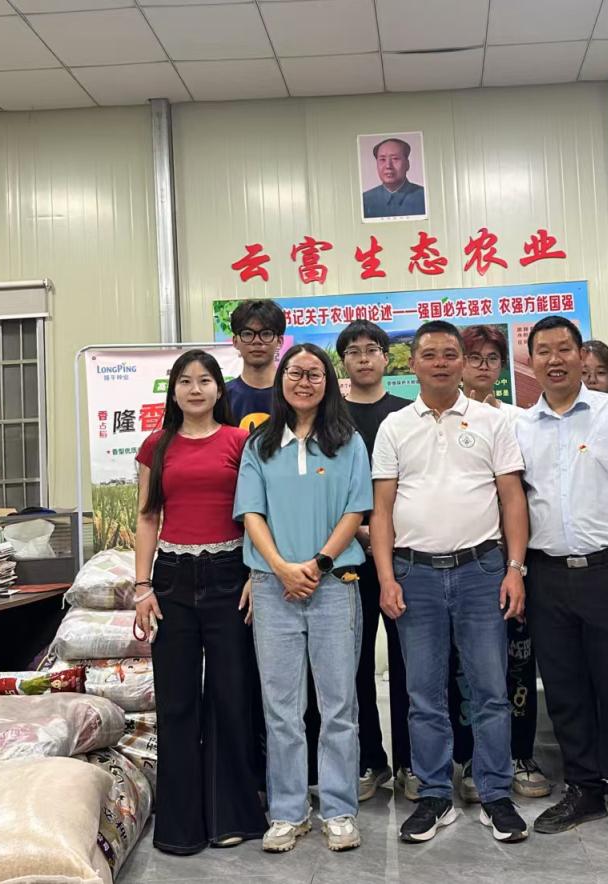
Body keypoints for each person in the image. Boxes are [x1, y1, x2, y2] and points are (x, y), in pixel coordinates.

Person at [372, 319, 530, 845]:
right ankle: (435, 795)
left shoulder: (492, 421)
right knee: (423, 694)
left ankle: (496, 793)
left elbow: (512, 498)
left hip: (482, 571)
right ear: (412, 364)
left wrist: (515, 569)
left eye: (449, 354)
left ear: (462, 362)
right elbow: (382, 508)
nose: (440, 362)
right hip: (413, 573)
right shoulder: (394, 426)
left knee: (490, 690)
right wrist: (386, 577)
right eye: (429, 354)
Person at [514, 315, 608, 844]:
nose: (554, 359)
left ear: (582, 357)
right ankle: (583, 789)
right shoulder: (520, 427)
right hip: (547, 576)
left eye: (564, 349)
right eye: (543, 351)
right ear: (531, 361)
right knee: (565, 690)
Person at [233, 343, 373, 854]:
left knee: (338, 705)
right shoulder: (260, 444)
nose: (304, 382)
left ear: (328, 383)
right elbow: (251, 513)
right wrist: (281, 568)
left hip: (334, 585)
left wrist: (318, 564)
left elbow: (356, 510)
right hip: (274, 588)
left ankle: (338, 809)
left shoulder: (348, 442)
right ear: (282, 380)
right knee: (281, 708)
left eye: (315, 374)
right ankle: (289, 812)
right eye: (296, 373)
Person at [133, 349, 266, 855]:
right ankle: (180, 825)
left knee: (232, 696)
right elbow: (148, 517)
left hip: (230, 575)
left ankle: (233, 815)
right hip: (171, 580)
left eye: (205, 380)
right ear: (173, 391)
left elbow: (255, 513)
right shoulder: (157, 445)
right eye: (185, 381)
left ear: (218, 389)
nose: (195, 389)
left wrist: (254, 572)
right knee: (177, 701)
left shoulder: (239, 441)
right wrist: (142, 586)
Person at [453, 323, 550, 803]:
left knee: (517, 660)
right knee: (465, 667)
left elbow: (523, 494)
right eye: (475, 357)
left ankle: (519, 753)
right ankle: (473, 756)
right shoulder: (444, 417)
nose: (484, 366)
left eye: (493, 358)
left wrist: (518, 563)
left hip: (510, 558)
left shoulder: (517, 419)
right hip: (462, 560)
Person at [335, 319, 417, 802]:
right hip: (347, 556)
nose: (363, 358)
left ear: (387, 358)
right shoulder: (332, 417)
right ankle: (371, 760)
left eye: (372, 350)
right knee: (355, 663)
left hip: (403, 554)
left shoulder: (406, 413)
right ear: (342, 361)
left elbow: (418, 484)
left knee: (409, 662)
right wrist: (360, 532)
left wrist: (384, 533)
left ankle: (411, 762)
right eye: (353, 351)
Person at [227, 298, 286, 431]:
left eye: (266, 334)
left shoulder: (294, 393)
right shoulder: (222, 397)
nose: (257, 341)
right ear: (235, 341)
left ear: (280, 341)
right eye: (247, 334)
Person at [362, 137, 426, 220]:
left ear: (407, 164)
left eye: (395, 159)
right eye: (382, 159)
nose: (388, 166)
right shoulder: (365, 200)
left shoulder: (425, 197)